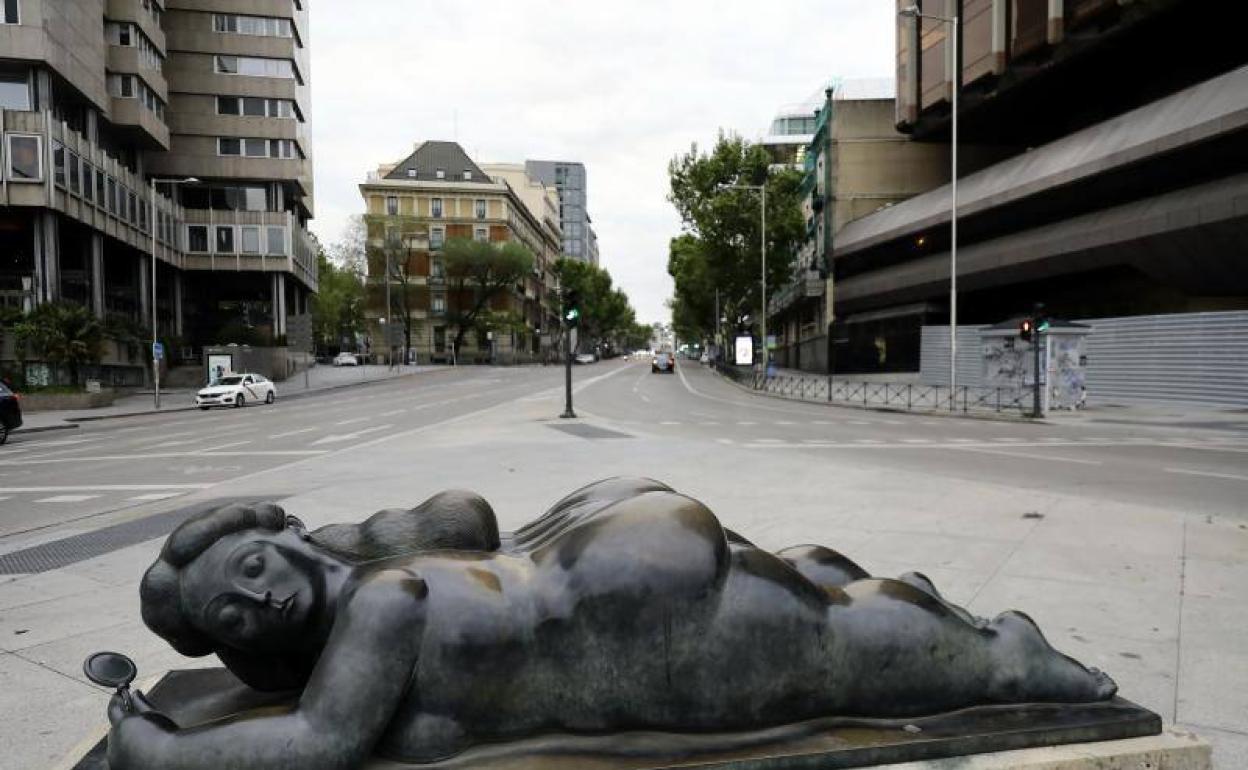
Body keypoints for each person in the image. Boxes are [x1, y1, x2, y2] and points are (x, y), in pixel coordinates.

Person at [108, 479, 1115, 769]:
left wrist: (155, 752)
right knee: (812, 603)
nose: (263, 599)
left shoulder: (381, 597)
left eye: (252, 568)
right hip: (608, 552)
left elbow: (322, 737)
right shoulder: (378, 572)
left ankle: (1005, 650)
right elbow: (467, 515)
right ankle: (891, 593)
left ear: (282, 534)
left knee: (831, 655)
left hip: (628, 608)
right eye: (237, 616)